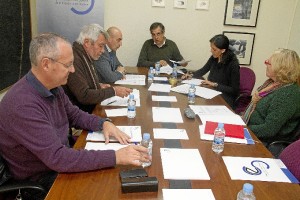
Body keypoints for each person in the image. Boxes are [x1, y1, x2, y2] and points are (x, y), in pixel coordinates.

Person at [0, 33, 149, 200]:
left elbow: (75, 115)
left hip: (58, 163)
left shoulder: (53, 87)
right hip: (41, 181)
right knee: (110, 189)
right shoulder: (23, 104)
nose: (72, 70)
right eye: (68, 65)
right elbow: (58, 158)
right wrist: (115, 156)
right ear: (46, 64)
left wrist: (103, 123)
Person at [63, 24, 132, 113]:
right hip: (81, 113)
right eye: (101, 45)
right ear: (87, 43)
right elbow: (84, 96)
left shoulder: (84, 55)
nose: (103, 50)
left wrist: (97, 85)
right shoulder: (75, 59)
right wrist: (113, 91)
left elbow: (81, 83)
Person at [243, 49, 300, 145]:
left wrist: (242, 128)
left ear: (281, 68)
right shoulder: (271, 83)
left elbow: (269, 130)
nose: (265, 64)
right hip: (251, 130)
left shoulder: (288, 94)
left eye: (268, 62)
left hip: (263, 142)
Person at [182, 34, 240, 108]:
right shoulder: (214, 57)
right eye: (211, 48)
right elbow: (203, 70)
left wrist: (214, 84)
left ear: (223, 50)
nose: (211, 51)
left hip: (224, 98)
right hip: (211, 91)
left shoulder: (233, 64)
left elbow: (234, 90)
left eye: (214, 49)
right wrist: (190, 75)